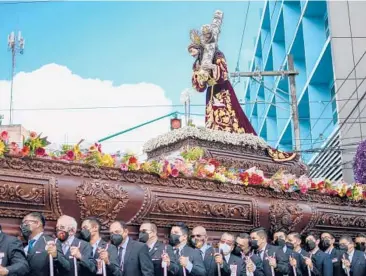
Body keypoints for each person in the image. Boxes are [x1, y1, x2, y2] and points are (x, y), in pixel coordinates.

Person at [188, 25, 257, 135]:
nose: (192, 54)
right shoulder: (197, 64)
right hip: (211, 90)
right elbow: (198, 86)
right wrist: (201, 78)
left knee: (226, 114)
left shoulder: (217, 55)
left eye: (192, 50)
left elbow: (223, 73)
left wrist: (212, 67)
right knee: (212, 117)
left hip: (222, 89)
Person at [21, 212, 70, 276]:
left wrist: (56, 256)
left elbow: (66, 267)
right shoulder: (21, 245)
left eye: (26, 222)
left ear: (37, 223)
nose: (23, 226)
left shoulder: (51, 242)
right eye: (22, 223)